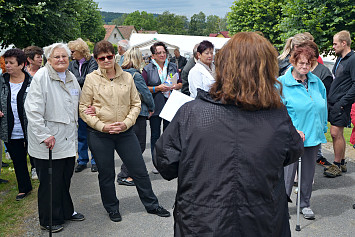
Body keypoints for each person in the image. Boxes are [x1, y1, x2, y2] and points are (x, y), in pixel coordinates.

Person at [154, 32, 304, 236]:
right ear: (268, 70)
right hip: (257, 222)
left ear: (224, 66)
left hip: (203, 223)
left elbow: (165, 162)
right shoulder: (277, 117)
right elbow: (292, 151)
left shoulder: (192, 113)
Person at [79, 40, 170, 222]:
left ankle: (152, 204)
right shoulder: (91, 79)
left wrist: (126, 123)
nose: (106, 60)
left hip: (125, 132)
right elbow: (83, 108)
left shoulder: (128, 77)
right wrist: (102, 126)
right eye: (102, 58)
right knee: (106, 174)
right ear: (96, 59)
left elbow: (136, 104)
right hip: (100, 133)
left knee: (139, 170)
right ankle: (112, 208)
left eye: (109, 56)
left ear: (115, 57)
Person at [24, 43, 84, 233]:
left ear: (69, 58)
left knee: (65, 178)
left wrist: (86, 109)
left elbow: (77, 100)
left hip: (66, 140)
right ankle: (49, 219)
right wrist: (44, 135)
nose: (61, 60)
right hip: (48, 141)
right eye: (56, 57)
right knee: (50, 183)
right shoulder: (42, 77)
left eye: (64, 56)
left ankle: (66, 211)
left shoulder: (70, 77)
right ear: (48, 59)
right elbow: (32, 110)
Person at [279, 42, 327, 220]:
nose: (305, 66)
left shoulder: (317, 82)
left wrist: (322, 127)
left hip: (312, 136)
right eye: (301, 63)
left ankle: (304, 204)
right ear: (293, 61)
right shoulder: (282, 84)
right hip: (291, 138)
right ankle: (281, 205)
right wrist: (291, 130)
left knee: (308, 173)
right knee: (286, 174)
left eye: (308, 63)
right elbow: (277, 112)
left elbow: (323, 106)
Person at [114, 46, 155, 186]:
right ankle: (124, 174)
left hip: (124, 113)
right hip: (138, 113)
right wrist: (152, 107)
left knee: (131, 145)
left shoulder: (119, 73)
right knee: (139, 145)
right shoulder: (135, 75)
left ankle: (129, 173)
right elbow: (146, 94)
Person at [142, 41, 181, 174]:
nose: (162, 55)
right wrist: (158, 88)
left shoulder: (172, 66)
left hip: (170, 104)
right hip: (156, 105)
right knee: (155, 135)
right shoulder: (147, 69)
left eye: (164, 52)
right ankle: (156, 162)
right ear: (153, 56)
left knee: (170, 135)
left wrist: (176, 86)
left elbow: (180, 83)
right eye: (159, 53)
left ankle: (169, 161)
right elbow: (143, 88)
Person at [0, 49, 33, 199]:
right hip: (10, 129)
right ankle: (24, 188)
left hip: (30, 128)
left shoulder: (32, 82)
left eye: (11, 63)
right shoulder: (2, 81)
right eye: (6, 62)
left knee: (36, 159)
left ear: (21, 64)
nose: (7, 66)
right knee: (18, 160)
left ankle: (46, 183)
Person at [324, 30, 355, 177]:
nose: (333, 46)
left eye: (335, 43)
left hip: (342, 103)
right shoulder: (340, 59)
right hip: (334, 101)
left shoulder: (353, 59)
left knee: (335, 133)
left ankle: (336, 164)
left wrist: (343, 102)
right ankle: (341, 162)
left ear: (344, 43)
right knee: (339, 134)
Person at [68, 38, 98, 173]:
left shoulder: (92, 62)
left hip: (91, 102)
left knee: (93, 132)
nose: (71, 54)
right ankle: (82, 160)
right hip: (76, 102)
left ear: (81, 51)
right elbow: (69, 79)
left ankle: (95, 160)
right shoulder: (72, 64)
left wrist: (75, 80)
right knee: (80, 133)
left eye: (73, 51)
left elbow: (90, 79)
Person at [23, 45, 43, 180]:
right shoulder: (23, 74)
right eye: (38, 57)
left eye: (41, 56)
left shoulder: (44, 73)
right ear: (30, 59)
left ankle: (41, 165)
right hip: (24, 112)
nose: (41, 59)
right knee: (28, 140)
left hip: (41, 111)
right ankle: (34, 167)